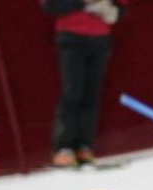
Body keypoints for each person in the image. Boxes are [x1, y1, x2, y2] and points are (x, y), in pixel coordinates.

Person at [41, 0, 126, 168]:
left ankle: (84, 146)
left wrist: (112, 10)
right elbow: (50, 6)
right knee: (72, 94)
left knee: (91, 96)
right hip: (71, 38)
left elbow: (121, 7)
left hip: (100, 39)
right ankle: (63, 148)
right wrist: (84, 4)